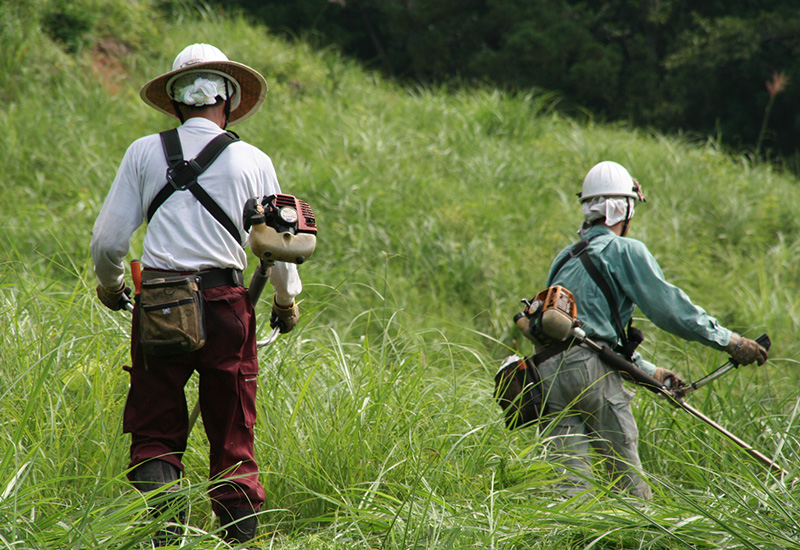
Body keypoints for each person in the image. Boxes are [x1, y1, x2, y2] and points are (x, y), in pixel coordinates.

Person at [90, 43, 302, 545]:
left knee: (156, 432)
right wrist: (286, 302)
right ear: (227, 99)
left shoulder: (144, 152)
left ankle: (167, 537)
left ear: (178, 100)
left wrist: (111, 285)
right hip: (229, 306)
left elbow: (107, 242)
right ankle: (237, 542)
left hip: (161, 304)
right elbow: (277, 247)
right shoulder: (253, 159)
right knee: (232, 436)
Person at [534, 160, 768, 500]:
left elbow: (582, 333)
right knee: (629, 487)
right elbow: (670, 310)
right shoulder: (624, 250)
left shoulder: (564, 257)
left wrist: (649, 371)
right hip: (591, 374)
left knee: (569, 488)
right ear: (624, 210)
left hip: (549, 374)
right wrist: (730, 340)